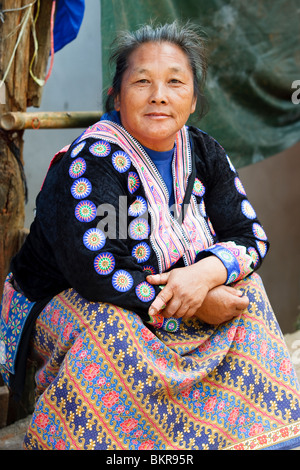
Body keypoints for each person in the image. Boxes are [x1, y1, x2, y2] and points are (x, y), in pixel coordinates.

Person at [1, 21, 300, 451]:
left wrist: (203, 276)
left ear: (193, 99)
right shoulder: (91, 164)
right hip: (67, 298)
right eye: (142, 81)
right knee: (115, 326)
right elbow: (99, 271)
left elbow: (249, 236)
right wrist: (197, 301)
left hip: (166, 290)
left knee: (247, 291)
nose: (159, 94)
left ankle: (255, 437)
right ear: (117, 97)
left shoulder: (204, 153)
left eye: (175, 82)